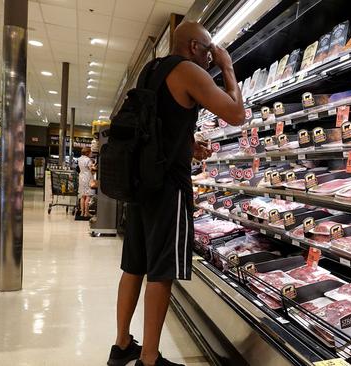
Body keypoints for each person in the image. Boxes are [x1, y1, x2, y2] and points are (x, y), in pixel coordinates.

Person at [107, 21, 245, 366]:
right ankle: (150, 360)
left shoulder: (151, 69)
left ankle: (122, 344)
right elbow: (236, 114)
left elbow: (158, 124)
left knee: (133, 266)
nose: (211, 60)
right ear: (195, 48)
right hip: (169, 188)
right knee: (162, 271)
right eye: (209, 52)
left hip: (142, 183)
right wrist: (228, 66)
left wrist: (188, 144)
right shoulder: (188, 70)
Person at [77, 147, 94, 218]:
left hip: (81, 176)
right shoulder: (88, 160)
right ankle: (86, 213)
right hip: (87, 177)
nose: (91, 153)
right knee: (88, 195)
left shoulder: (79, 159)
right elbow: (91, 169)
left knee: (82, 195)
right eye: (90, 152)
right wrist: (94, 168)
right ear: (87, 153)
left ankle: (82, 213)